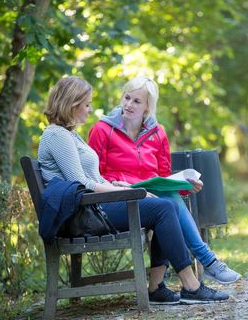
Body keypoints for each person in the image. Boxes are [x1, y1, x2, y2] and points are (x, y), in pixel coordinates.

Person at [38, 75, 229, 305]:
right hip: (84, 215)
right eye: (86, 104)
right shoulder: (56, 135)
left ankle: (160, 288)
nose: (90, 109)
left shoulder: (68, 134)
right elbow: (81, 182)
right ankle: (191, 285)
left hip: (92, 208)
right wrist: (132, 194)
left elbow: (93, 178)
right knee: (163, 209)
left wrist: (122, 187)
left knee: (162, 205)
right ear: (72, 103)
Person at [88, 76, 241, 284]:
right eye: (127, 98)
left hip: (151, 197)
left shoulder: (158, 133)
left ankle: (160, 285)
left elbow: (164, 177)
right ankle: (207, 260)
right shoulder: (102, 130)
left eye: (136, 101)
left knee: (166, 201)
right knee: (165, 204)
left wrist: (186, 186)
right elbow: (93, 175)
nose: (128, 104)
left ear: (148, 107)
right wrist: (116, 184)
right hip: (117, 198)